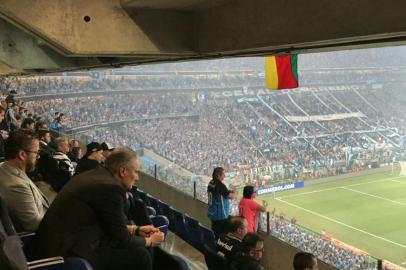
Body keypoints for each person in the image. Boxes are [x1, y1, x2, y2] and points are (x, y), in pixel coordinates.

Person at [31, 148, 164, 270]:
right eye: (136, 172)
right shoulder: (110, 188)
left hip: (56, 244)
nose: (137, 177)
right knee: (141, 256)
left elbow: (107, 224)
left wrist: (136, 229)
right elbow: (122, 239)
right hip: (65, 254)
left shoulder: (97, 176)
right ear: (123, 171)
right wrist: (150, 241)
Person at [0, 129, 49, 232]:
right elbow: (35, 225)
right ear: (22, 154)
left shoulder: (5, 167)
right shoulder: (16, 185)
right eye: (36, 152)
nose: (38, 156)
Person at [207, 167, 235, 237]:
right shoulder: (220, 185)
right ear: (218, 175)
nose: (224, 176)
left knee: (215, 232)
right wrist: (233, 193)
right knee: (222, 235)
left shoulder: (211, 182)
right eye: (223, 174)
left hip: (213, 213)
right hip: (221, 216)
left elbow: (221, 192)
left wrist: (228, 191)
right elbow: (231, 196)